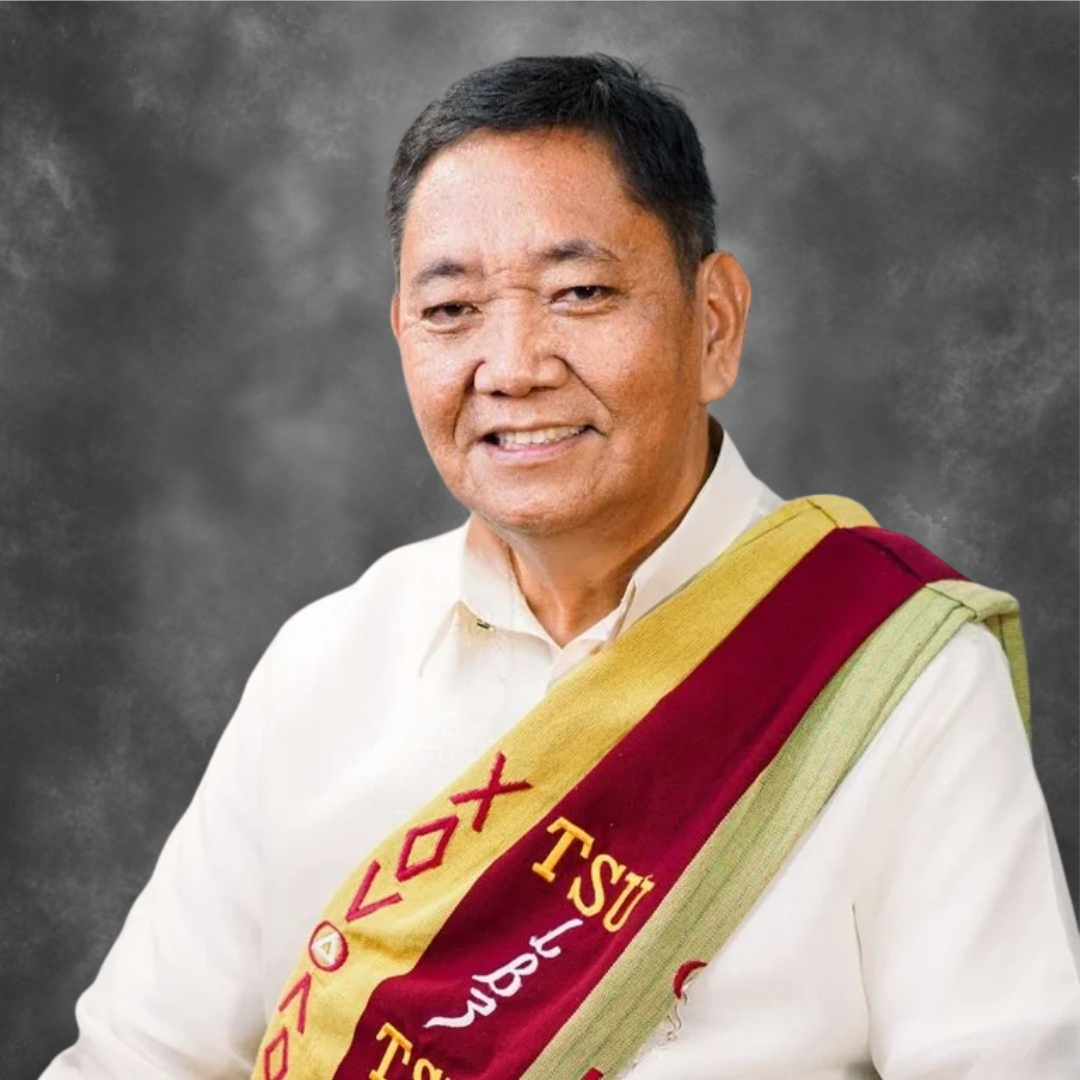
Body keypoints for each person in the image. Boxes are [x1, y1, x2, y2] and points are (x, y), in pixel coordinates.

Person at [42, 54, 1079, 1080]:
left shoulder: (891, 673)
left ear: (714, 324)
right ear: (402, 334)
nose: (512, 368)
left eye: (579, 292)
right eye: (452, 310)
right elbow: (135, 1061)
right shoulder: (323, 662)